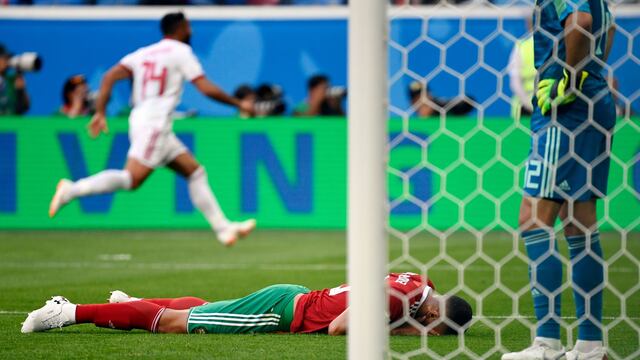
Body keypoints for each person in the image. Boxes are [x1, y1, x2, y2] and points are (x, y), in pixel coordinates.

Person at [48, 12, 256, 246]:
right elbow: (205, 88)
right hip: (155, 122)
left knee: (195, 172)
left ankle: (223, 228)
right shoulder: (181, 51)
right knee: (131, 179)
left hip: (145, 119)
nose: (192, 32)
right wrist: (239, 104)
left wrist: (100, 111)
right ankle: (72, 190)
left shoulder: (143, 53)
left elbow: (109, 76)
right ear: (181, 28)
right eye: (189, 27)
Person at [502, 1, 616, 359]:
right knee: (579, 224)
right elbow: (608, 29)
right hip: (594, 102)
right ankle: (589, 343)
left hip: (565, 110)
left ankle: (547, 342)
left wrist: (569, 75)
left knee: (533, 218)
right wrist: (590, 72)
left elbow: (580, 22)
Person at [21, 272, 472, 337]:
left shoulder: (421, 283)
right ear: (433, 313)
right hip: (281, 311)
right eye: (434, 329)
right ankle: (70, 311)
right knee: (177, 323)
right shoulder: (398, 305)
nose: (428, 334)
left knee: (208, 306)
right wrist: (403, 331)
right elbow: (340, 329)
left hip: (293, 296)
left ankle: (130, 303)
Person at [407, 81, 474, 118]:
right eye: (417, 99)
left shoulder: (444, 107)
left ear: (431, 96)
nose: (423, 101)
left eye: (425, 96)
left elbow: (467, 101)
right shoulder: (414, 126)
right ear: (412, 103)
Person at [507, 34, 535, 120]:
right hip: (523, 110)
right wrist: (530, 105)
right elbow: (515, 83)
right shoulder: (522, 45)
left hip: (547, 105)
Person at [0, 44, 30, 115]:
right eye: (3, 58)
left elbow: (24, 107)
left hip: (10, 124)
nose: (6, 61)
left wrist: (20, 91)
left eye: (7, 58)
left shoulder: (12, 80)